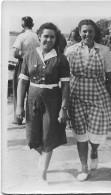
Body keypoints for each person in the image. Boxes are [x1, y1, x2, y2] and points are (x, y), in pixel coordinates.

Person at [16, 22, 70, 183]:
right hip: (32, 99)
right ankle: (45, 158)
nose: (48, 39)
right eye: (46, 36)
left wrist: (63, 108)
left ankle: (43, 173)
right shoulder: (29, 56)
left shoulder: (61, 59)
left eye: (52, 37)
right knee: (32, 138)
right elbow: (22, 83)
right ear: (39, 36)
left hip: (52, 100)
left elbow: (66, 85)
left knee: (48, 136)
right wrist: (19, 106)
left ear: (56, 39)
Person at [66, 19, 111, 181]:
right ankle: (83, 167)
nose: (87, 34)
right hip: (76, 94)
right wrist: (63, 103)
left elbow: (108, 77)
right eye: (84, 31)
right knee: (80, 134)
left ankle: (94, 150)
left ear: (95, 33)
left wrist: (109, 100)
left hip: (98, 94)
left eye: (90, 31)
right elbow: (65, 78)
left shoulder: (104, 50)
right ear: (79, 32)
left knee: (96, 133)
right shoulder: (71, 50)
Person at [12, 16, 40, 125]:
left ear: (22, 25)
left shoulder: (22, 36)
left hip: (23, 64)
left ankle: (18, 118)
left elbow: (15, 53)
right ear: (32, 24)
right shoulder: (37, 36)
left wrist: (26, 55)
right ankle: (33, 118)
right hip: (35, 65)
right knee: (32, 91)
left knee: (18, 89)